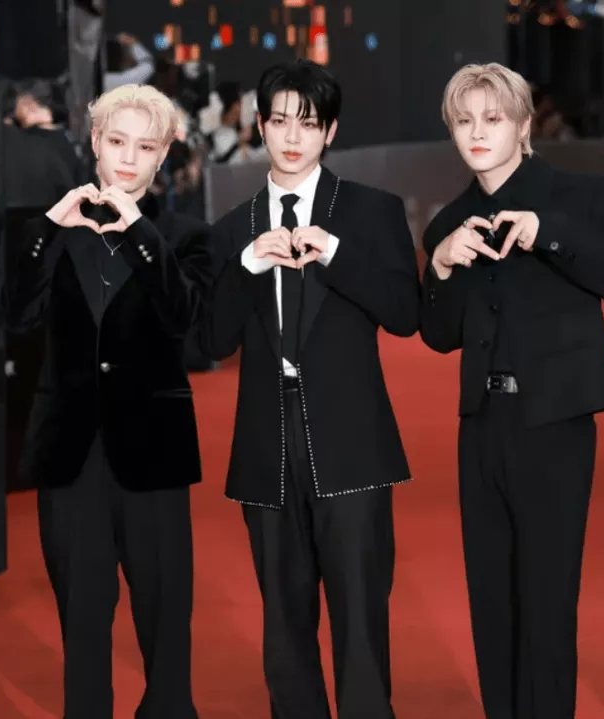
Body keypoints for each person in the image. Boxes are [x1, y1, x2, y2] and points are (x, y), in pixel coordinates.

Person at [199, 59, 419, 718]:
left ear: (331, 131)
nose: (293, 137)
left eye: (309, 123)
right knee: (284, 622)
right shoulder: (231, 228)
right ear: (260, 125)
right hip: (266, 442)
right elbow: (211, 340)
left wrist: (337, 254)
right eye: (280, 121)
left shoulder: (371, 211)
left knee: (361, 613)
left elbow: (404, 314)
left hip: (351, 438)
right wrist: (246, 265)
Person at [420, 63, 604, 719]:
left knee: (547, 601)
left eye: (492, 119)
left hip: (555, 426)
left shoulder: (580, 197)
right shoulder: (450, 220)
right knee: (491, 602)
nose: (477, 133)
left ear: (523, 125)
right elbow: (439, 335)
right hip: (481, 426)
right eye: (464, 121)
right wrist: (441, 265)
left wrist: (549, 234)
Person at [8, 83, 211, 719]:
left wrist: (141, 234)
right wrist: (48, 229)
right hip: (69, 454)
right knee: (82, 625)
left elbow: (189, 323)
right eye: (117, 141)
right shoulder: (52, 230)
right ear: (94, 142)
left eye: (145, 147)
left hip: (153, 453)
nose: (128, 157)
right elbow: (15, 317)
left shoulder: (183, 236)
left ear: (164, 154)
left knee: (165, 622)